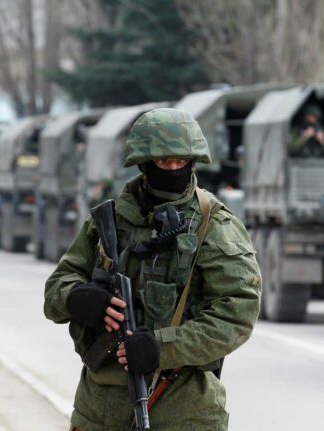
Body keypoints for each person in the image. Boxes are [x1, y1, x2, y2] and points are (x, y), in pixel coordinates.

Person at [44, 108, 261, 430]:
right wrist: (78, 297)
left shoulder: (214, 226)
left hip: (182, 408)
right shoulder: (110, 220)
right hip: (98, 409)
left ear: (193, 161)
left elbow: (236, 316)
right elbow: (57, 287)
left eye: (180, 161)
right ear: (144, 164)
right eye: (163, 162)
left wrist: (161, 347)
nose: (173, 170)